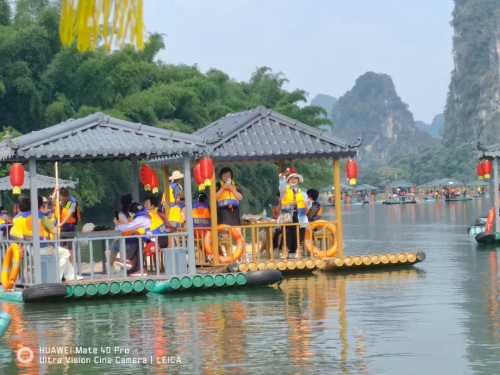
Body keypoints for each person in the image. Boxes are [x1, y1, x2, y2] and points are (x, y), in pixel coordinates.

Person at [19, 196, 81, 281]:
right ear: (41, 206)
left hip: (29, 247)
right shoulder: (42, 217)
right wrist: (56, 226)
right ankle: (56, 277)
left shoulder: (22, 217)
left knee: (63, 253)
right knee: (65, 253)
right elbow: (55, 231)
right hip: (43, 248)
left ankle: (71, 276)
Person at [279, 169, 311, 259]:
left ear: (298, 180)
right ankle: (285, 252)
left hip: (299, 215)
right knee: (287, 233)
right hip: (288, 215)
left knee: (300, 233)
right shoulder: (284, 191)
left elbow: (308, 206)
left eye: (295, 178)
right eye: (291, 178)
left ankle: (298, 251)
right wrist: (282, 179)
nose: (293, 180)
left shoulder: (303, 192)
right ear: (288, 181)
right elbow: (281, 187)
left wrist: (308, 202)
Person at [108, 193, 134, 270]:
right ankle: (111, 266)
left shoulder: (121, 215)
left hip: (126, 239)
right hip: (131, 237)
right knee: (115, 245)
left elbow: (121, 229)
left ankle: (110, 266)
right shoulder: (130, 214)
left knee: (115, 245)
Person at [53, 187, 81, 258]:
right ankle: (66, 264)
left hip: (70, 228)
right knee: (63, 247)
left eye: (65, 198)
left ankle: (72, 264)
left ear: (68, 196)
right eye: (62, 198)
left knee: (70, 248)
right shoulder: (59, 199)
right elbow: (51, 202)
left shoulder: (72, 202)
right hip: (61, 228)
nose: (64, 200)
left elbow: (69, 214)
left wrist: (61, 224)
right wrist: (55, 191)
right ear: (60, 196)